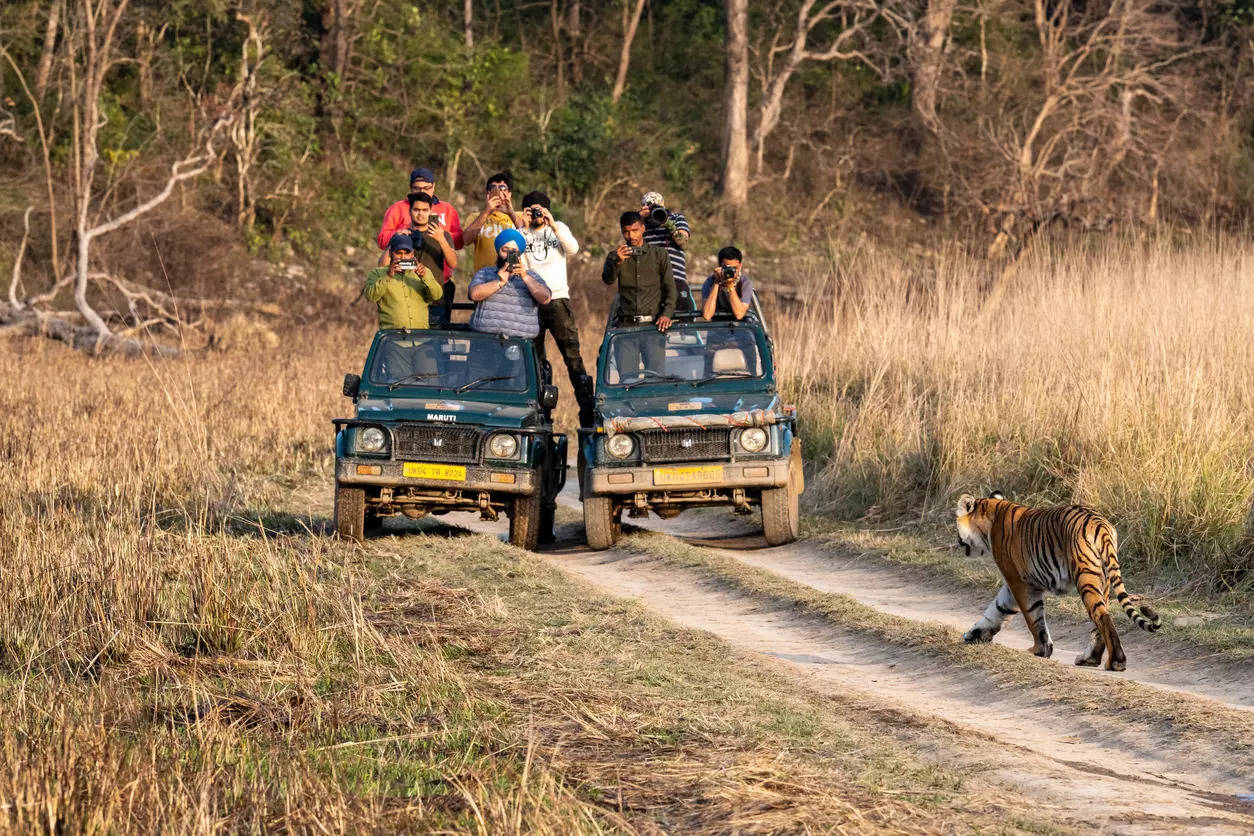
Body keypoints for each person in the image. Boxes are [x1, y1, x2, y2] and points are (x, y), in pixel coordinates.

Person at [519, 191, 594, 425]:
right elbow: (516, 262)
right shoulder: (520, 233)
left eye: (541, 209)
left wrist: (553, 224)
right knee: (535, 358)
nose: (537, 214)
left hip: (559, 300)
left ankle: (587, 408)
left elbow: (573, 249)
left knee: (572, 356)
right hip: (530, 302)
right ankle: (542, 413)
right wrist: (522, 227)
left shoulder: (558, 227)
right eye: (532, 210)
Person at [602, 211, 676, 380]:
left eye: (635, 230)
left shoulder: (659, 255)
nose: (631, 236)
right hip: (626, 328)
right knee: (628, 381)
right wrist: (617, 263)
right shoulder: (615, 255)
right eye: (626, 232)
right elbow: (607, 280)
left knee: (656, 381)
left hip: (653, 327)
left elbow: (671, 289)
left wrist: (666, 314)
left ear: (643, 228)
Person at [364, 233, 445, 380]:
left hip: (422, 341)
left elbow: (437, 295)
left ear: (412, 253)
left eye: (406, 253)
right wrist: (388, 275)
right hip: (395, 342)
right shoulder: (377, 273)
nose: (402, 257)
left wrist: (424, 276)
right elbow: (370, 296)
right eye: (398, 253)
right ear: (390, 253)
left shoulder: (423, 272)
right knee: (399, 384)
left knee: (431, 383)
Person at [375, 166, 464, 281]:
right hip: (404, 279)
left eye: (426, 188)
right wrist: (399, 235)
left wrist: (439, 236)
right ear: (410, 188)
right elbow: (382, 240)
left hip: (440, 278)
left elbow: (459, 243)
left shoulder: (447, 209)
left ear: (433, 187)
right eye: (417, 188)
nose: (422, 192)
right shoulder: (398, 208)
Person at [469, 229, 552, 339]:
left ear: (520, 253)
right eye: (505, 250)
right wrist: (499, 282)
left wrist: (525, 277)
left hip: (520, 343)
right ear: (498, 251)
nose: (509, 255)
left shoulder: (532, 276)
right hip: (485, 339)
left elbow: (545, 298)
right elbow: (473, 295)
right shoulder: (485, 272)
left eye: (513, 251)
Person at [408, 192, 459, 324]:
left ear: (431, 211)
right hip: (408, 300)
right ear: (410, 211)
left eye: (425, 210)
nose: (420, 214)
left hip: (435, 301)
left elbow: (453, 263)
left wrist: (441, 239)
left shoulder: (443, 235)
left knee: (435, 344)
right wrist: (395, 241)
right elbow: (383, 264)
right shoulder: (403, 234)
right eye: (416, 210)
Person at [462, 171, 525, 272]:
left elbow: (529, 238)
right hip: (485, 276)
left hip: (513, 273)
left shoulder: (520, 216)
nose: (498, 191)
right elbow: (466, 240)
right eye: (492, 188)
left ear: (509, 194)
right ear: (488, 194)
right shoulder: (475, 217)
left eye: (502, 188)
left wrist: (511, 213)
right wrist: (487, 211)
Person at [640, 190, 692, 308]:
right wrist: (639, 219)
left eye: (657, 207)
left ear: (663, 206)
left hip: (675, 279)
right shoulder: (641, 225)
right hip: (651, 283)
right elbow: (631, 243)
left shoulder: (676, 218)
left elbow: (683, 243)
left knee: (682, 318)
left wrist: (667, 223)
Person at [701, 246, 755, 321]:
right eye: (727, 268)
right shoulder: (710, 282)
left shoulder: (745, 283)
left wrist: (730, 285)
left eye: (734, 268)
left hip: (742, 329)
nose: (731, 272)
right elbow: (707, 315)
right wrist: (717, 282)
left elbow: (739, 314)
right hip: (719, 329)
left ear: (740, 266)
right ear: (720, 266)